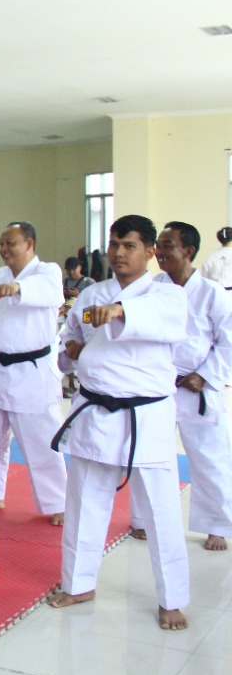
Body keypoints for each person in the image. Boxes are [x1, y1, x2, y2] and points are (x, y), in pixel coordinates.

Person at [50, 214, 190, 630]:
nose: (119, 253)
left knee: (161, 512)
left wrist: (119, 311)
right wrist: (71, 350)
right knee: (84, 502)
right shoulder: (92, 293)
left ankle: (172, 599)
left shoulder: (168, 295)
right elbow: (69, 337)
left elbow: (162, 321)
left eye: (129, 245)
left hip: (146, 415)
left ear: (150, 252)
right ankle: (78, 584)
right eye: (114, 244)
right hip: (96, 410)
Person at [132, 222, 232, 551]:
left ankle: (216, 526)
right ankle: (143, 519)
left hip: (197, 387)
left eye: (167, 246)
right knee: (148, 455)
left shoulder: (212, 293)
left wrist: (205, 375)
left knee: (210, 459)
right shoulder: (150, 289)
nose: (159, 252)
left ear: (188, 251)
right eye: (158, 245)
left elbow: (228, 342)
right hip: (156, 384)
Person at [0, 222, 67, 525]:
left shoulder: (48, 272)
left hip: (31, 373)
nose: (4, 249)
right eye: (1, 243)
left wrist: (19, 288)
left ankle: (58, 503)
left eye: (10, 243)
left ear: (29, 244)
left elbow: (48, 292)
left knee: (42, 443)